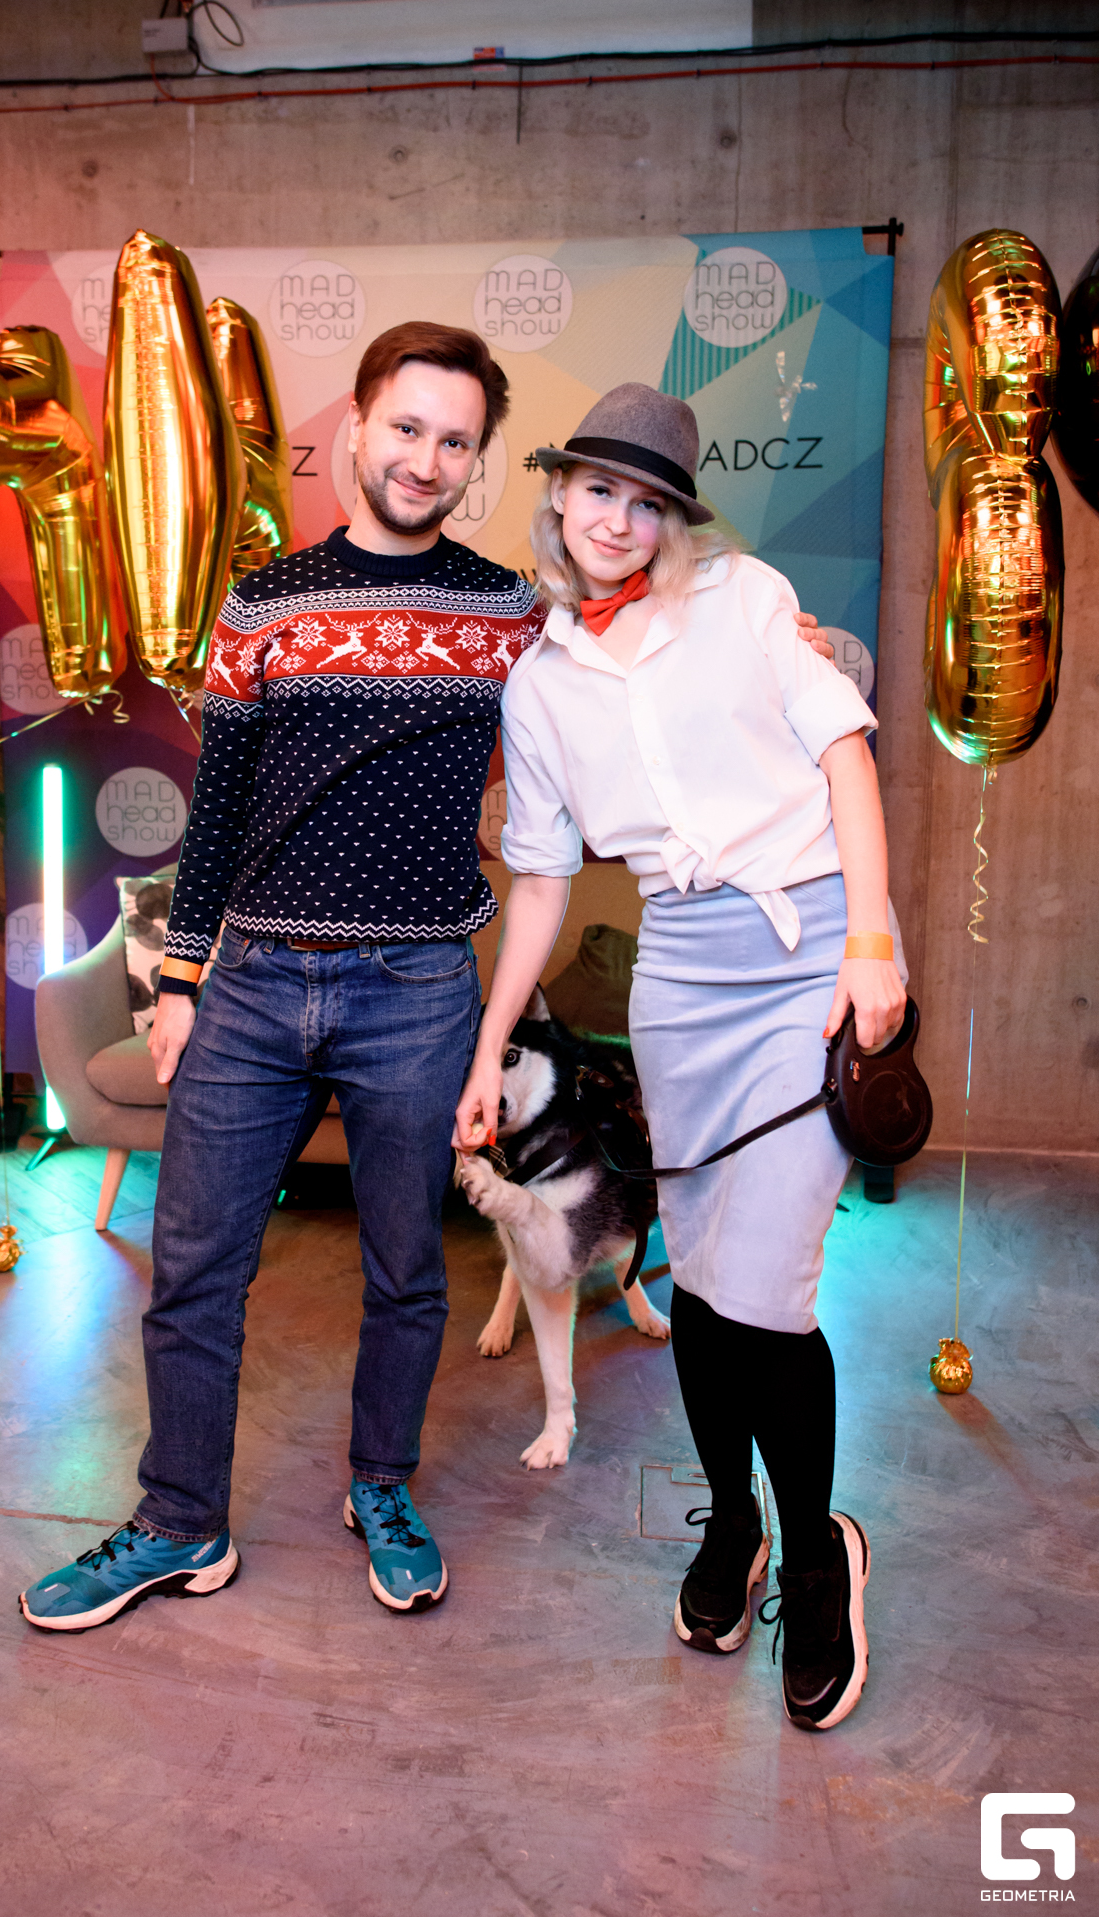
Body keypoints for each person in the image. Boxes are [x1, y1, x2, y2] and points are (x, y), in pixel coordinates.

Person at [20, 334, 831, 1635]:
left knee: (407, 1270)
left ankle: (382, 1488)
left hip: (415, 989)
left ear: (478, 463)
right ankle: (180, 1521)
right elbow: (217, 807)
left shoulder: (513, 615)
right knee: (194, 1267)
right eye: (407, 428)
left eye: (455, 441)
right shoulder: (262, 605)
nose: (426, 459)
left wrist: (796, 645)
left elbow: (651, 646)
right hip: (254, 984)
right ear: (358, 428)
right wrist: (179, 979)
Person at [454, 384, 905, 1732]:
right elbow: (541, 882)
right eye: (599, 489)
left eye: (647, 502)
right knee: (701, 1285)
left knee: (767, 1287)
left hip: (806, 952)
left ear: (675, 521)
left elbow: (847, 754)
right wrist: (489, 1046)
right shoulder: (540, 683)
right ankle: (734, 1527)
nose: (618, 520)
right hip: (682, 981)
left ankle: (817, 1554)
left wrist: (872, 942)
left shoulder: (746, 601)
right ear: (560, 494)